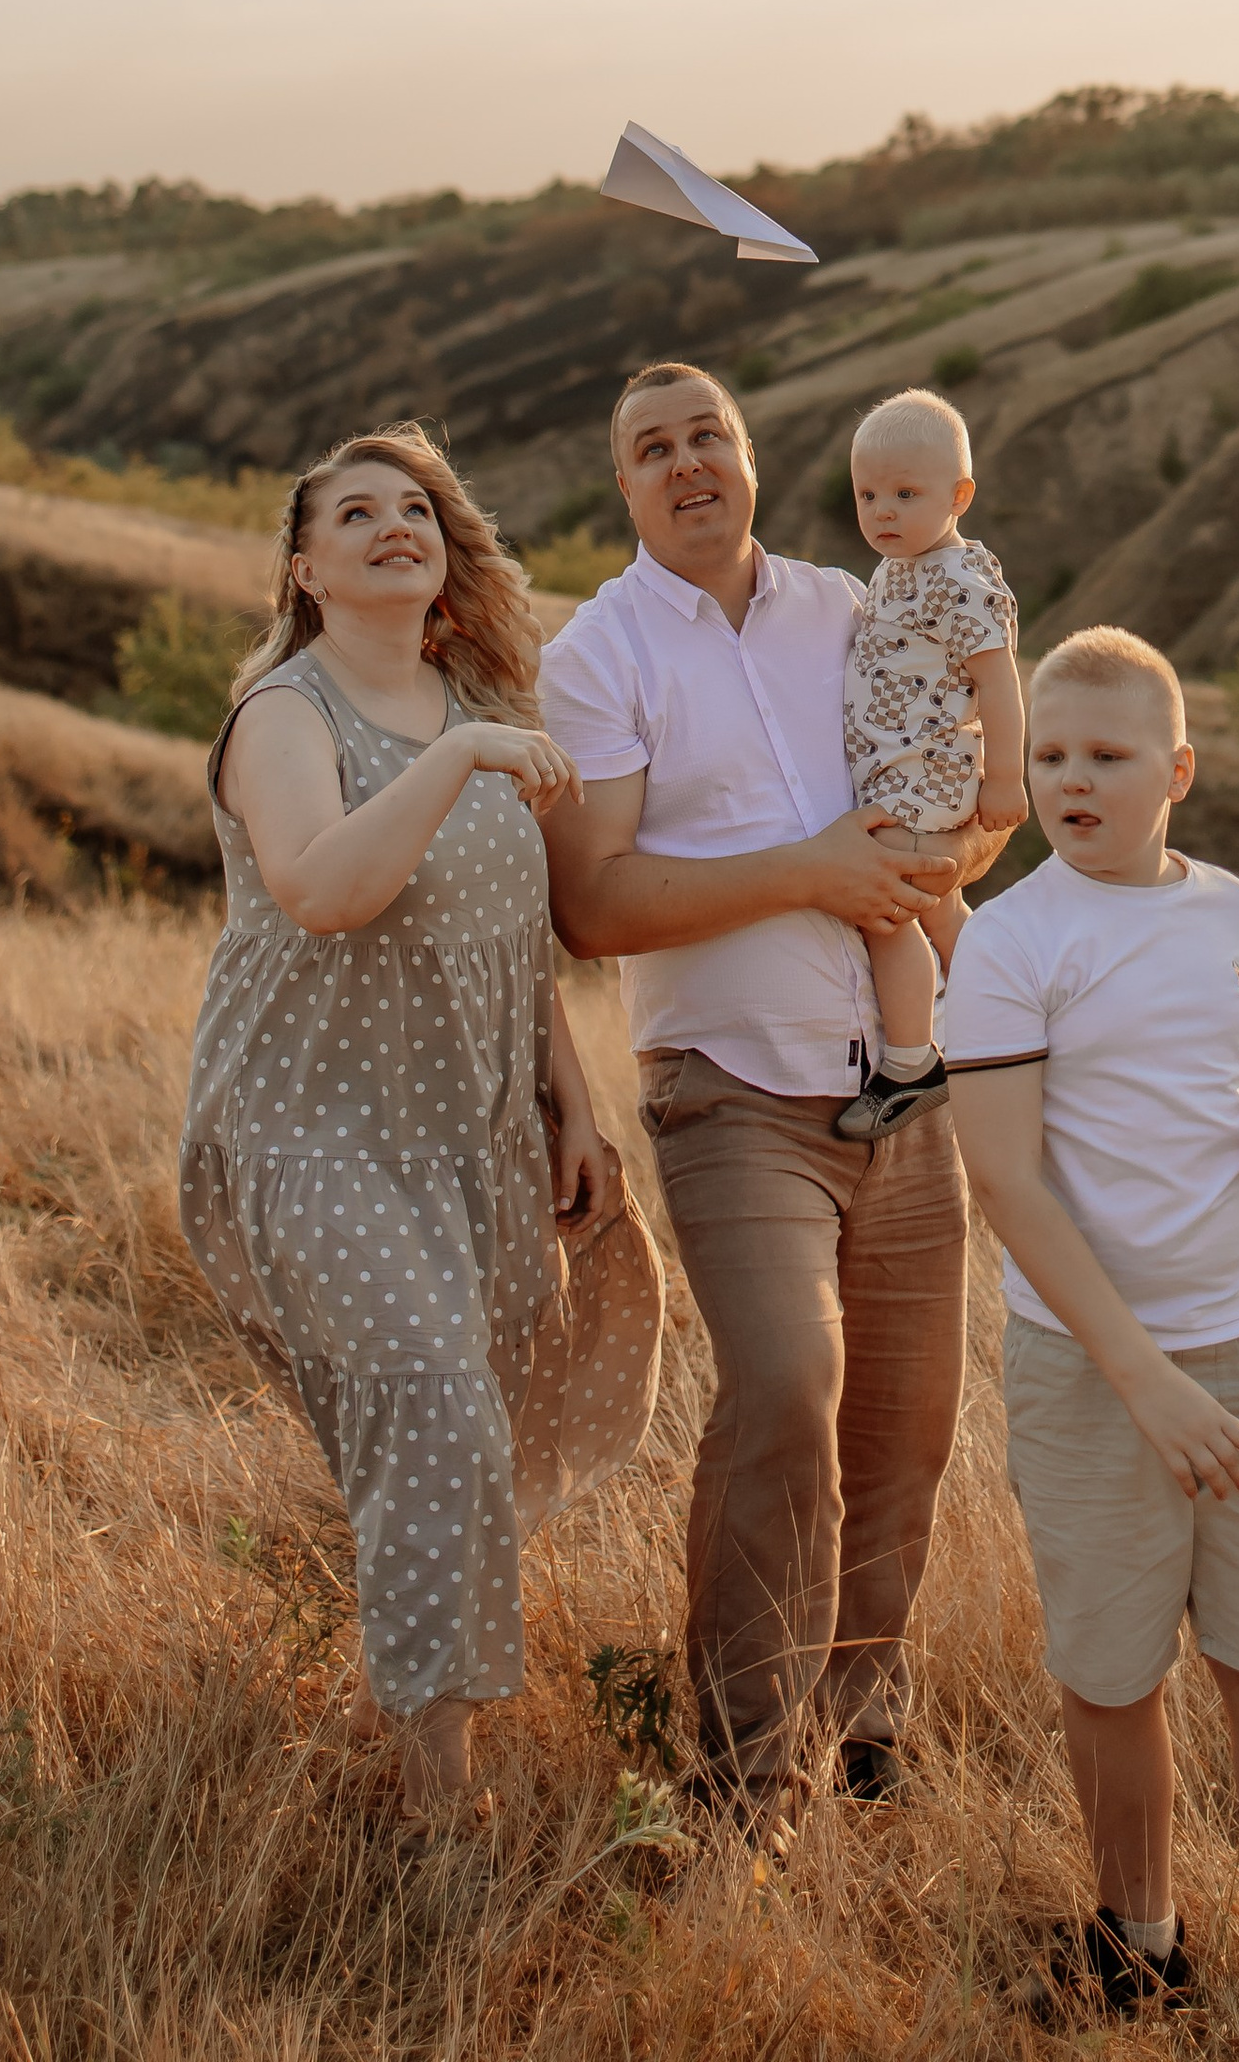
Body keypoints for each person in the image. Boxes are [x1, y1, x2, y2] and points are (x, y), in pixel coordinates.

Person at [539, 360, 1011, 1819]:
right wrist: (813, 869)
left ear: (749, 457)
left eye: (709, 437)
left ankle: (865, 1723)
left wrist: (955, 848)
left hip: (899, 1078)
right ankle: (746, 1770)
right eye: (651, 448)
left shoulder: (851, 604)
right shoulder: (599, 653)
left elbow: (947, 798)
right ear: (623, 484)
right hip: (729, 1093)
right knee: (790, 1387)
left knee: (905, 1420)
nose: (687, 465)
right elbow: (596, 904)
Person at [177, 425, 662, 1823]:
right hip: (305, 1133)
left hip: (470, 1137)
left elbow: (514, 938)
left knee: (462, 1428)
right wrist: (457, 770)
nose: (395, 525)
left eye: (417, 510)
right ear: (307, 567)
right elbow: (326, 888)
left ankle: (418, 1698)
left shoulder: (473, 702)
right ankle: (438, 1804)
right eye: (357, 513)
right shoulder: (286, 714)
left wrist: (570, 1102)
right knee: (439, 1411)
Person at [946, 627, 1239, 2057]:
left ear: (1174, 771)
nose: (1073, 779)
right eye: (1050, 755)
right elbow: (1005, 1181)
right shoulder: (1007, 942)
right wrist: (1143, 1380)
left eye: (1108, 757)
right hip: (1095, 1371)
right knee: (1113, 1675)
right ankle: (1141, 1945)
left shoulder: (1232, 913)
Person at [835, 384, 1026, 1140]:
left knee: (888, 913)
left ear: (959, 495)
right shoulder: (898, 568)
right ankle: (1008, 1024)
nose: (882, 511)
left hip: (925, 783)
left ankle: (911, 1063)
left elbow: (1001, 684)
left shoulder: (960, 582)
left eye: (905, 494)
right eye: (868, 494)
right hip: (899, 776)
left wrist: (1005, 778)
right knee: (940, 914)